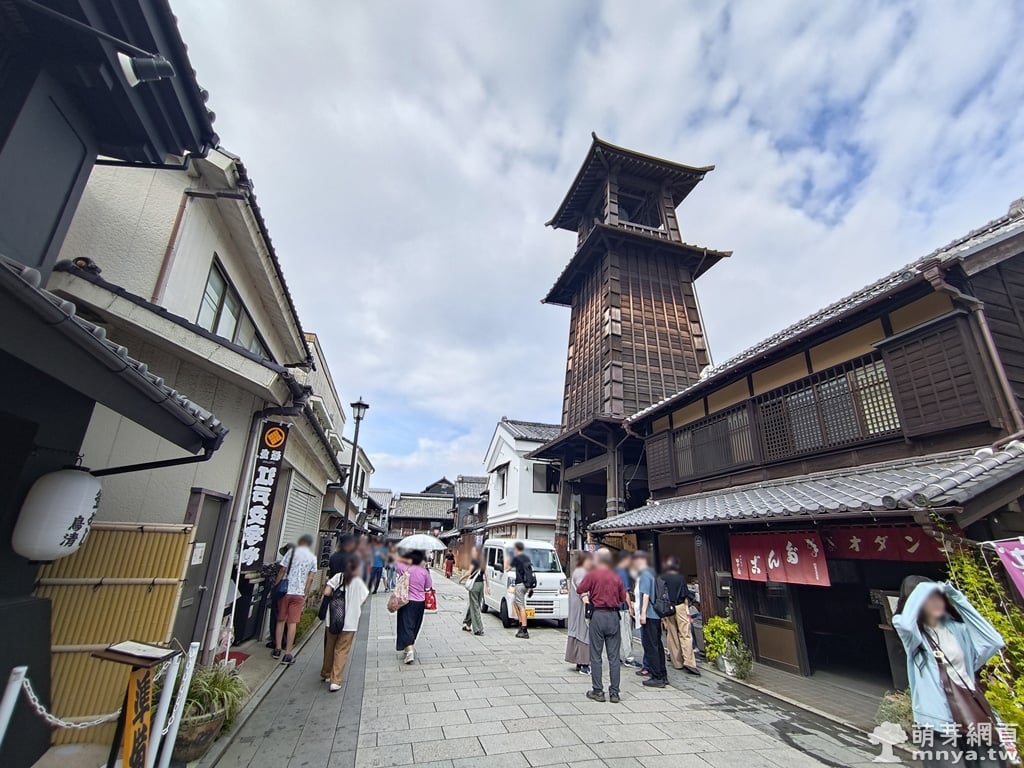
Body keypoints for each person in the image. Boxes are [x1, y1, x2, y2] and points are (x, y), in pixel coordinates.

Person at [893, 577, 1007, 768]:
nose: (937, 603)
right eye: (929, 599)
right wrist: (924, 588)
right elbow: (905, 624)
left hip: (973, 714)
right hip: (936, 723)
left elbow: (994, 641)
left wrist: (956, 596)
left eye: (939, 597)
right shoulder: (914, 636)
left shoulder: (957, 629)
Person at [576, 548, 628, 703]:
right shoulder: (616, 577)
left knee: (596, 656)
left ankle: (598, 691)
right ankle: (614, 693)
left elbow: (580, 589)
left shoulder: (593, 574)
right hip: (613, 616)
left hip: (598, 615)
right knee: (614, 656)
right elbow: (622, 598)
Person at [320, 556, 369, 691]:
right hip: (350, 621)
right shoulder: (358, 582)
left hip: (333, 619)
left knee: (330, 647)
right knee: (342, 650)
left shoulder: (338, 577)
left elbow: (327, 592)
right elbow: (363, 598)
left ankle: (326, 673)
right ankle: (335, 680)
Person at [272, 533, 318, 665]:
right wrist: (305, 592)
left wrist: (276, 585)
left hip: (285, 591)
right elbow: (310, 578)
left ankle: (277, 649)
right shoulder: (312, 558)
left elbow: (282, 570)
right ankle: (287, 654)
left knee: (281, 620)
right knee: (292, 623)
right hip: (298, 594)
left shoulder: (291, 552)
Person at [633, 551, 667, 688]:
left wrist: (642, 614)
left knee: (651, 646)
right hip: (655, 616)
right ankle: (662, 674)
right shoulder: (652, 572)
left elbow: (646, 595)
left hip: (650, 615)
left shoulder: (645, 574)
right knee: (657, 645)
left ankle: (657, 676)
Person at [660, 557, 700, 676]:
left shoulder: (663, 578)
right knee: (685, 634)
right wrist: (687, 611)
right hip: (681, 606)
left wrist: (663, 617)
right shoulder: (680, 578)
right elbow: (685, 595)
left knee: (672, 634)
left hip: (668, 608)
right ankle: (689, 662)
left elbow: (661, 595)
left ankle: (677, 662)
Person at [395, 549, 432, 664]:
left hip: (406, 601)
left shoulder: (405, 568)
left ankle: (409, 649)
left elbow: (396, 562)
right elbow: (428, 586)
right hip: (420, 603)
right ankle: (409, 646)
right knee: (415, 625)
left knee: (405, 625)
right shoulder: (424, 572)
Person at [565, 551, 594, 674]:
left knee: (577, 633)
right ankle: (584, 664)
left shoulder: (578, 571)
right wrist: (588, 607)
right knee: (583, 634)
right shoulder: (582, 572)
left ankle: (579, 662)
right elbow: (584, 592)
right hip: (581, 609)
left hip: (576, 608)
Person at [264, 543, 293, 648]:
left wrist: (275, 587)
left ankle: (276, 642)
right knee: (288, 619)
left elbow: (266, 569)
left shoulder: (281, 564)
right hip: (294, 594)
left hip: (281, 593)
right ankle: (286, 641)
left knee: (277, 617)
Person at [505, 541, 535, 639]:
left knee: (521, 606)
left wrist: (507, 561)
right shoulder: (527, 558)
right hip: (526, 585)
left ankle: (524, 629)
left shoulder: (516, 558)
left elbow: (507, 568)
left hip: (520, 584)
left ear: (516, 549)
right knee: (515, 602)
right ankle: (521, 623)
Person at [615, 550, 640, 668]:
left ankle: (618, 656)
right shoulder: (623, 572)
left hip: (614, 606)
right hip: (622, 606)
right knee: (626, 632)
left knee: (617, 633)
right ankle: (629, 658)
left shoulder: (614, 570)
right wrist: (630, 607)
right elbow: (625, 592)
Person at [460, 556, 485, 636]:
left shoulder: (474, 561)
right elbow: (486, 574)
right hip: (481, 584)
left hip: (474, 585)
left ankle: (478, 629)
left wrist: (461, 578)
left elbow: (469, 572)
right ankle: (467, 623)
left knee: (475, 606)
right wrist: (487, 586)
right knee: (474, 604)